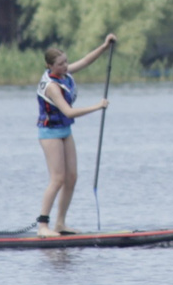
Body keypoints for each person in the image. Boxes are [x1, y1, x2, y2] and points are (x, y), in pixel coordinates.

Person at [33, 34, 117, 235]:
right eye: (60, 64)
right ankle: (43, 226)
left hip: (65, 131)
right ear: (49, 66)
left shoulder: (64, 74)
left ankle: (60, 224)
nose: (65, 66)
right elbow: (69, 112)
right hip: (49, 132)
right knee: (57, 178)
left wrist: (105, 47)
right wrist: (98, 106)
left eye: (66, 62)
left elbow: (87, 60)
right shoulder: (52, 86)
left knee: (71, 177)